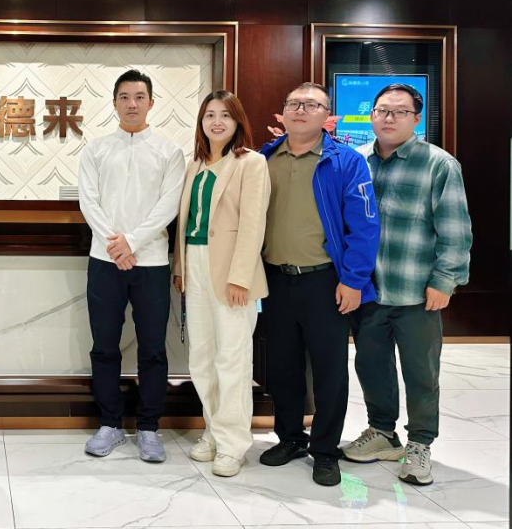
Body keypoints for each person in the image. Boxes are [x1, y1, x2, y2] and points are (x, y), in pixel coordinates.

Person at [342, 83, 472, 486]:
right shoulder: (357, 160)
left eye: (400, 112)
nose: (389, 118)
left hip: (417, 290)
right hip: (368, 290)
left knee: (421, 372)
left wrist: (444, 280)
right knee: (371, 366)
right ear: (371, 115)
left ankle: (420, 444)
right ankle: (382, 432)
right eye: (382, 110)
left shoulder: (439, 164)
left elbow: (455, 228)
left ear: (416, 119)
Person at [258, 81, 380, 487]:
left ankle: (325, 450)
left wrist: (354, 280)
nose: (300, 110)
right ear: (282, 113)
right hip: (275, 280)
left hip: (326, 281)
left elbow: (365, 226)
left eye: (311, 105)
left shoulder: (346, 162)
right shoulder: (264, 158)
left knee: (329, 371)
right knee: (282, 366)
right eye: (294, 103)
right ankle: (290, 438)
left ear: (328, 116)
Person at [79, 69, 186, 463]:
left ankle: (149, 428)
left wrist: (133, 242)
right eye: (124, 97)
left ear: (151, 103)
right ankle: (109, 424)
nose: (131, 104)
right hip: (104, 260)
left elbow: (169, 205)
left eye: (139, 97)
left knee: (153, 348)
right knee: (104, 345)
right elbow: (88, 201)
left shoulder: (169, 152)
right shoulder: (95, 149)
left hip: (152, 261)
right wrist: (116, 244)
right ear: (114, 103)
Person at [172, 90, 270, 477]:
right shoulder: (194, 165)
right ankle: (213, 431)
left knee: (232, 359)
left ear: (237, 122)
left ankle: (233, 444)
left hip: (231, 273)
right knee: (201, 358)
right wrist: (180, 268)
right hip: (195, 267)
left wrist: (240, 277)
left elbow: (253, 224)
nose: (216, 122)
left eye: (225, 115)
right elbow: (186, 223)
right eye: (209, 115)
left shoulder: (251, 163)